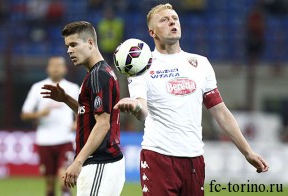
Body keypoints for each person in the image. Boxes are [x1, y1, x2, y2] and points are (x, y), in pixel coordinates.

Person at [114, 3, 269, 196]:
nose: (172, 22)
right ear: (152, 32)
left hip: (194, 160)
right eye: (164, 19)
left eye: (175, 18)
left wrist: (247, 151)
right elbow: (142, 108)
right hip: (158, 158)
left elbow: (220, 111)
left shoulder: (200, 63)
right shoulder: (143, 65)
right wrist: (135, 106)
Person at [41, 21, 124, 196]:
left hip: (100, 161)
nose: (69, 50)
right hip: (101, 162)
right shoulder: (97, 73)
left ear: (90, 43)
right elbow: (89, 114)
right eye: (67, 46)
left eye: (73, 44)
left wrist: (77, 162)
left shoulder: (98, 75)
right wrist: (65, 99)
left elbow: (103, 124)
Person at [21, 56, 79, 196]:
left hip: (65, 139)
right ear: (47, 68)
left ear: (65, 69)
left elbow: (81, 109)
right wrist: (40, 113)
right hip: (44, 140)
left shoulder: (72, 88)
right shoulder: (37, 88)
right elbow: (25, 114)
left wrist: (76, 123)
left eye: (59, 65)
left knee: (64, 178)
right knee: (49, 186)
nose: (55, 68)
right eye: (52, 65)